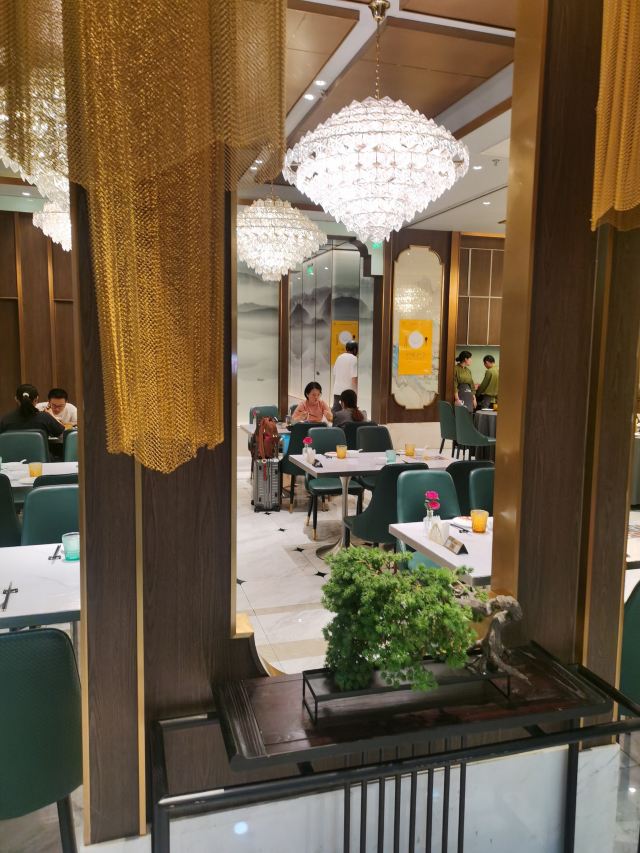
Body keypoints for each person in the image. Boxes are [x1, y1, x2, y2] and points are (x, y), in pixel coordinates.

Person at [0, 383, 65, 437]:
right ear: (36, 399)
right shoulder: (45, 418)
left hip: (12, 450)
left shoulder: (5, 420)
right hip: (39, 449)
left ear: (16, 399)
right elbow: (61, 434)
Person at [332, 340, 358, 412]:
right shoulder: (354, 359)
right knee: (348, 413)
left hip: (337, 390)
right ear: (355, 349)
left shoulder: (339, 357)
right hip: (348, 393)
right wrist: (355, 393)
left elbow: (334, 373)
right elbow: (354, 379)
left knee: (336, 412)